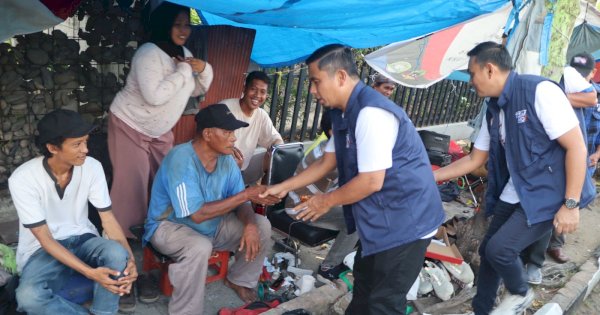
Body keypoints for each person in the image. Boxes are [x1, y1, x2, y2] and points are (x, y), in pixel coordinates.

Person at [262, 44, 445, 314]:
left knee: (383, 303)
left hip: (407, 223)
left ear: (340, 77)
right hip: (378, 220)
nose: (312, 90)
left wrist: (324, 201)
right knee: (363, 294)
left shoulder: (372, 113)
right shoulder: (341, 113)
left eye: (315, 82)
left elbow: (371, 181)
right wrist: (281, 186)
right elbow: (328, 161)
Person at [434, 42, 593, 314]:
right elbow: (475, 160)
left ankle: (521, 294)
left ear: (490, 69)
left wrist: (570, 204)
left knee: (500, 250)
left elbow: (577, 147)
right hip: (515, 191)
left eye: (472, 74)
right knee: (488, 253)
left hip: (550, 194)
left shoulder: (539, 92)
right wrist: (432, 176)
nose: (471, 82)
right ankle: (482, 309)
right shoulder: (494, 109)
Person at [142, 104, 280, 315]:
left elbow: (240, 202)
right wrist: (246, 194)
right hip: (169, 226)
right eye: (227, 132)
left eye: (233, 132)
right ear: (207, 134)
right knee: (199, 247)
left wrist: (250, 224)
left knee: (262, 225)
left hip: (212, 225)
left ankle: (239, 280)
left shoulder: (226, 160)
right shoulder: (181, 159)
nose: (234, 138)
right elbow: (196, 214)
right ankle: (185, 312)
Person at [10, 109, 137, 315]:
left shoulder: (92, 167)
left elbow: (108, 220)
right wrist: (90, 273)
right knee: (28, 298)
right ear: (52, 147)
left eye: (86, 141)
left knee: (116, 253)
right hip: (43, 249)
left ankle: (104, 312)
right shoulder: (23, 179)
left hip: (83, 238)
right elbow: (45, 239)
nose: (86, 150)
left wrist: (130, 261)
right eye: (77, 144)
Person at [107, 2, 213, 239]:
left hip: (159, 130)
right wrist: (184, 72)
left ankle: (160, 226)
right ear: (165, 25)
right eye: (177, 24)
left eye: (187, 25)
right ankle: (122, 237)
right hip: (130, 124)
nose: (184, 30)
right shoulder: (148, 53)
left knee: (167, 175)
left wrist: (204, 69)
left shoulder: (184, 55)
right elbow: (154, 96)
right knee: (132, 183)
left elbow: (194, 89)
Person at [284, 109, 359, 282]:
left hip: (321, 201)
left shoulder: (339, 149)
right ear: (332, 131)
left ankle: (348, 257)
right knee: (356, 219)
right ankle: (328, 267)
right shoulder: (327, 156)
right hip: (302, 206)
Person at [219, 71, 283, 171]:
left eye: (262, 92)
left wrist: (277, 148)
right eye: (253, 89)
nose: (257, 95)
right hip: (218, 169)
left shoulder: (261, 115)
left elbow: (275, 138)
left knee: (271, 164)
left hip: (241, 170)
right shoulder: (225, 107)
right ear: (244, 88)